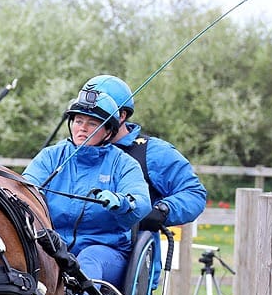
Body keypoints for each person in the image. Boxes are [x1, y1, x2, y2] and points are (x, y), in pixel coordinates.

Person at [23, 87, 151, 288]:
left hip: (105, 252)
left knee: (88, 260)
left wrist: (122, 202)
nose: (82, 128)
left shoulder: (124, 164)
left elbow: (141, 202)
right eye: (78, 121)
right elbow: (24, 191)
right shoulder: (50, 156)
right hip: (52, 247)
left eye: (92, 123)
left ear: (108, 131)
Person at [81, 74, 208, 230]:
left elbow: (194, 194)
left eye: (98, 116)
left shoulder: (154, 152)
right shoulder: (69, 151)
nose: (85, 125)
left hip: (128, 245)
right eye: (83, 116)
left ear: (121, 116)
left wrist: (161, 211)